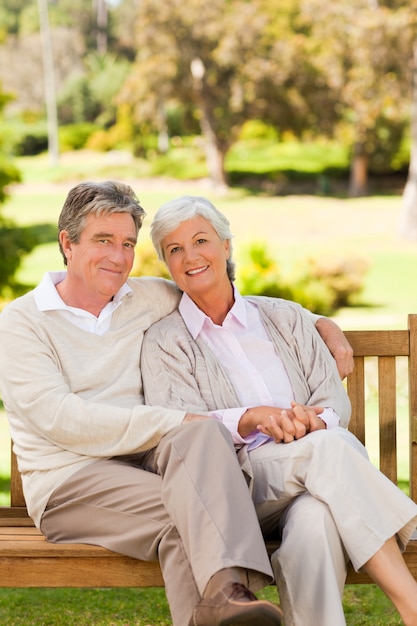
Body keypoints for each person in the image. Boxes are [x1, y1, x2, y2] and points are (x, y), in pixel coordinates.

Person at [0, 181, 353, 626]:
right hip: (69, 481)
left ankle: (226, 602)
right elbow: (62, 420)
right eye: (103, 240)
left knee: (203, 435)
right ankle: (227, 595)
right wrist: (176, 420)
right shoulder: (21, 323)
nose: (117, 256)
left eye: (127, 243)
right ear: (67, 243)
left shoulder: (143, 297)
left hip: (147, 466)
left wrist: (319, 321)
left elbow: (223, 294)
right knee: (189, 514)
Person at [141, 194, 417, 626]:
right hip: (235, 487)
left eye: (201, 240)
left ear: (227, 245)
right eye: (175, 249)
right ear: (166, 263)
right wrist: (252, 418)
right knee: (329, 449)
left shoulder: (286, 318)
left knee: (316, 523)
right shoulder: (165, 342)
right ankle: (411, 604)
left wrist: (312, 420)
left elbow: (332, 399)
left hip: (313, 482)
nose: (191, 257)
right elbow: (179, 426)